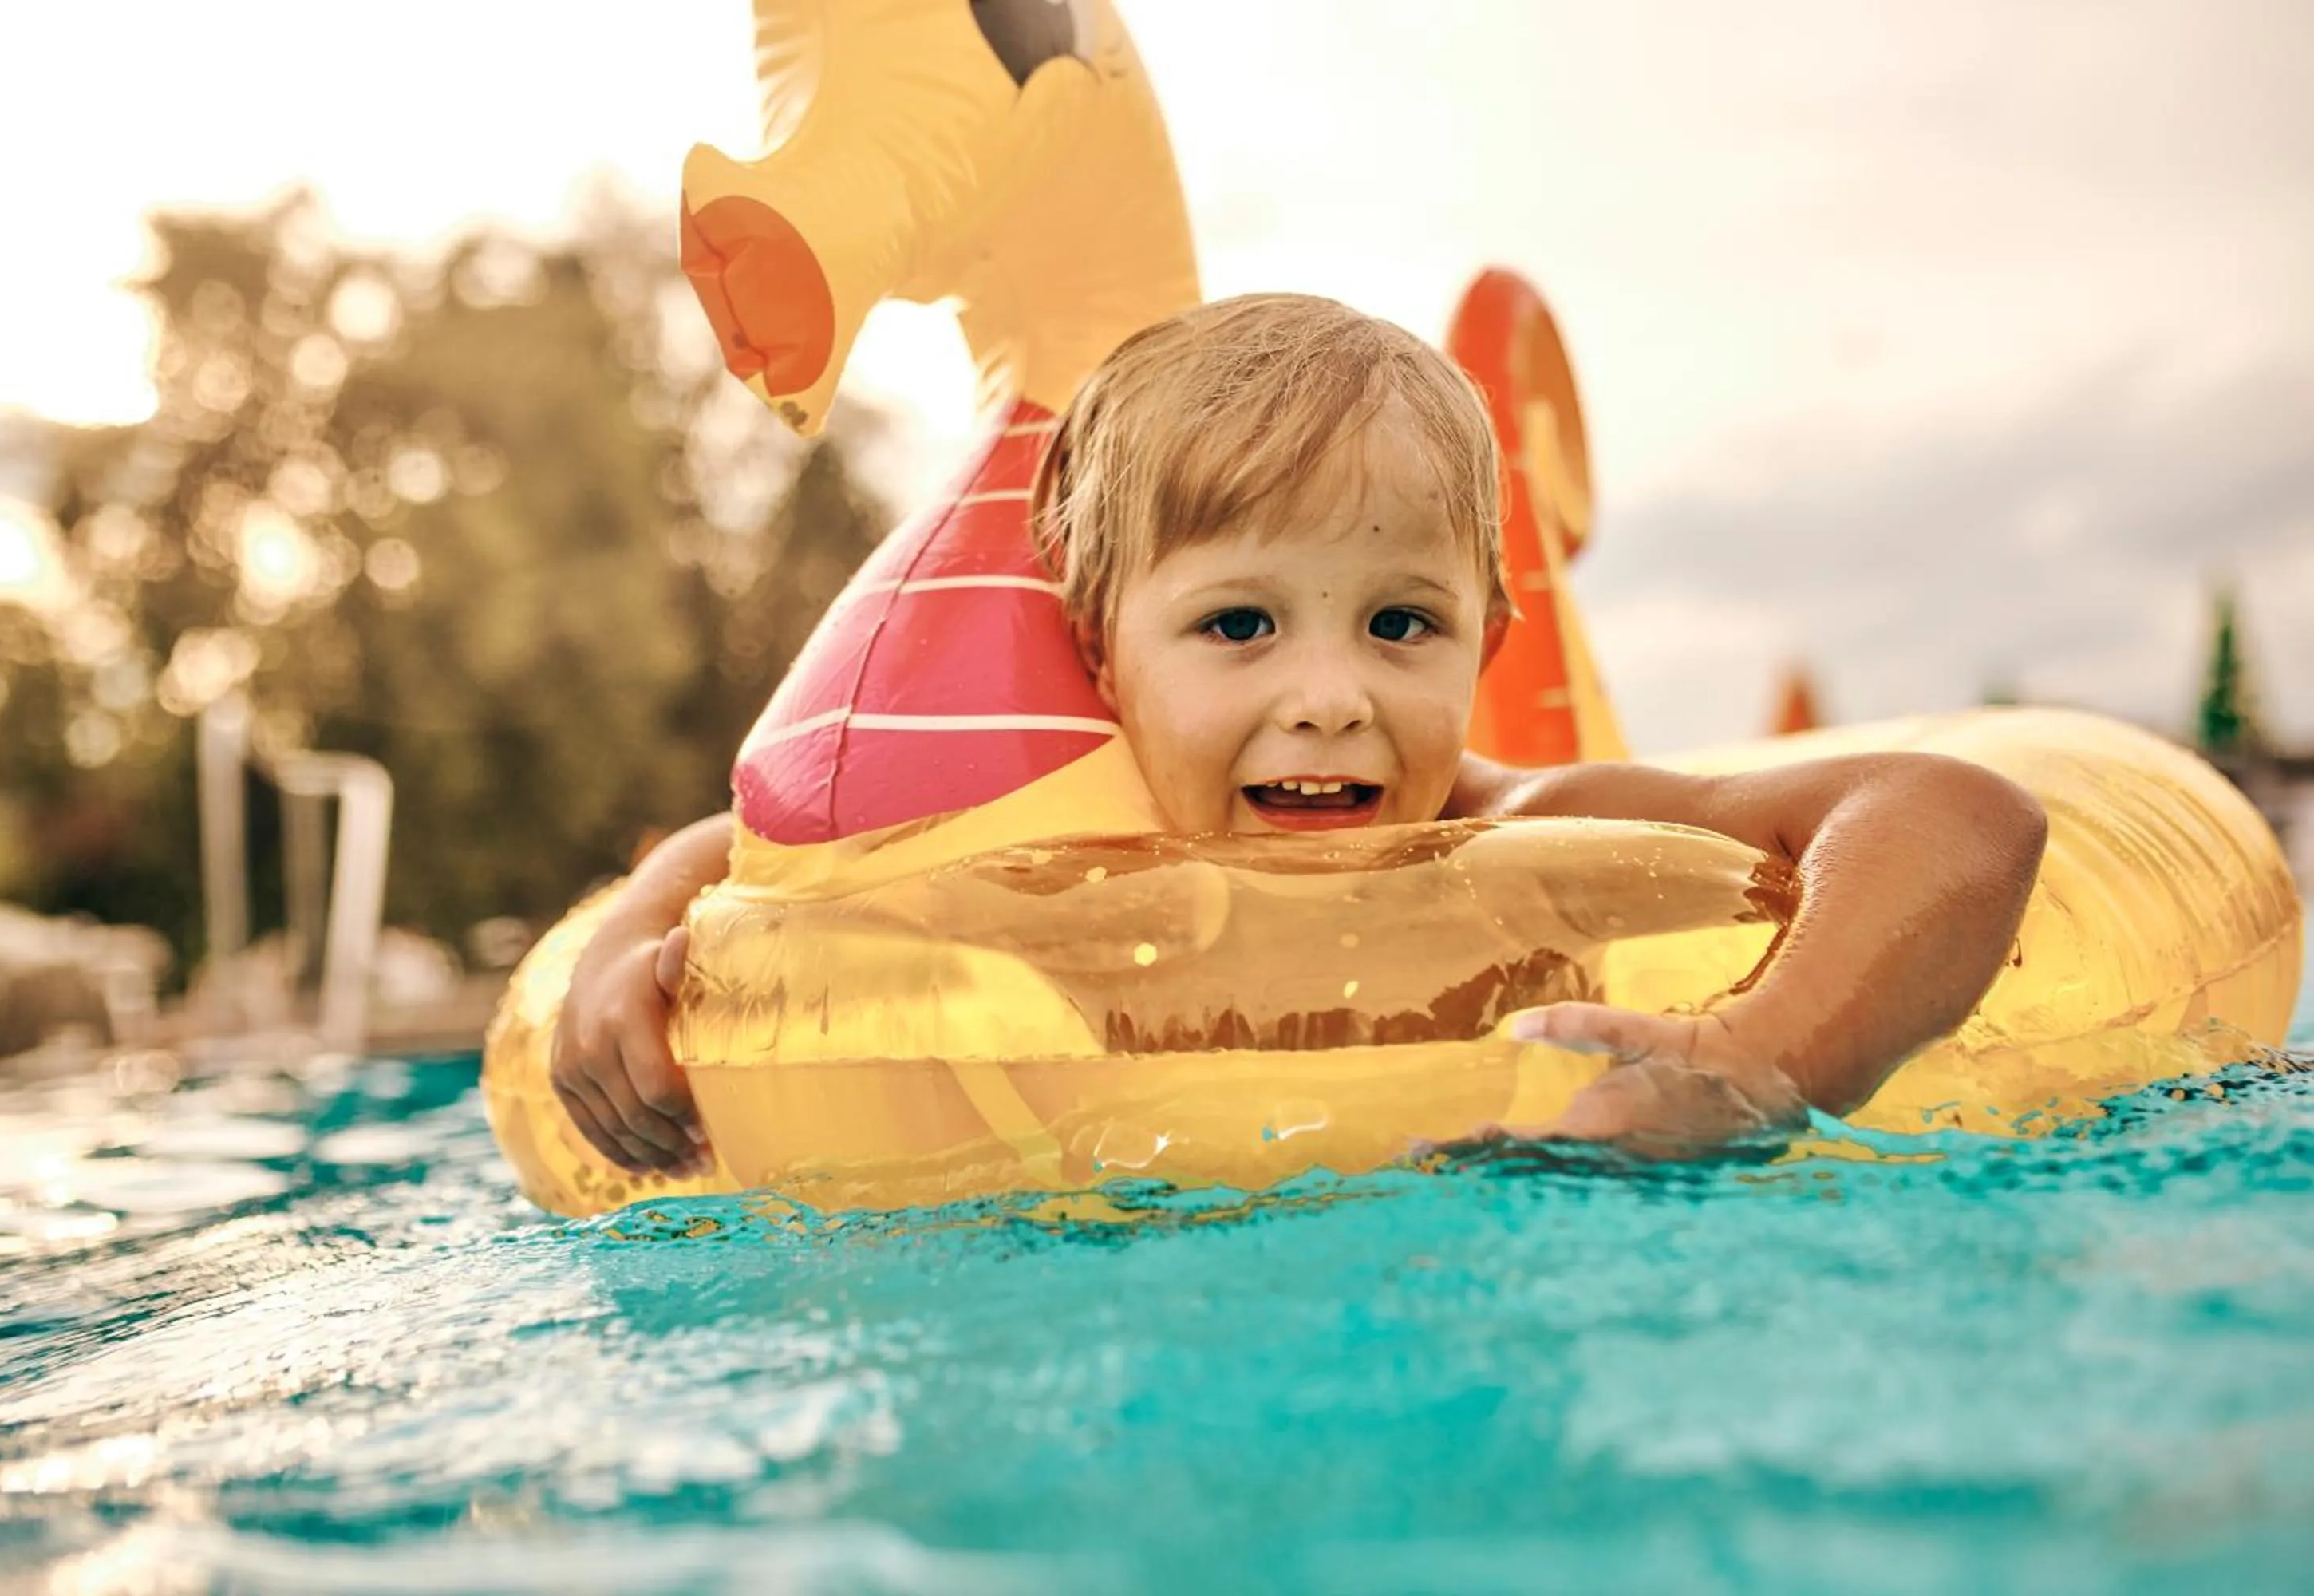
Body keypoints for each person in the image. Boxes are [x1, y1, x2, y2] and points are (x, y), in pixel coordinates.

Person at [551, 293, 2047, 1175]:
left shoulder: (1529, 830)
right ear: (1100, 657)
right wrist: (638, 931)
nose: (1329, 695)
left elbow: (1958, 816)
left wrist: (1757, 1065)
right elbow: (759, 860)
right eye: (1239, 626)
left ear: (1488, 647)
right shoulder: (1078, 856)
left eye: (1402, 626)